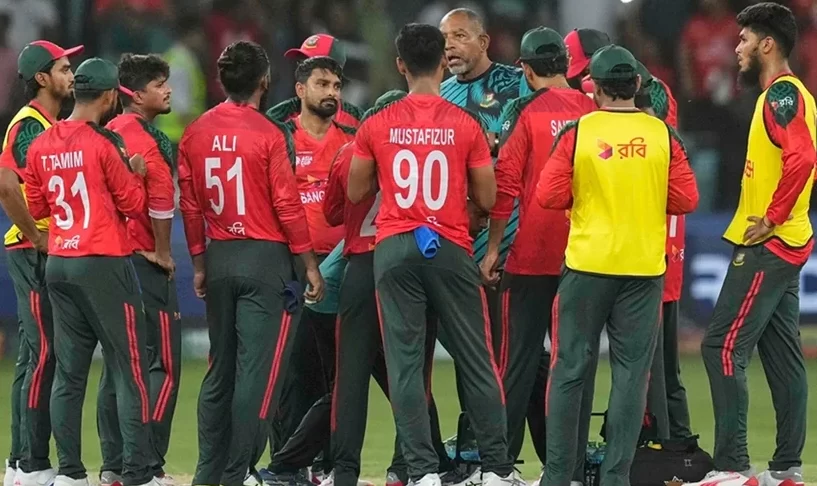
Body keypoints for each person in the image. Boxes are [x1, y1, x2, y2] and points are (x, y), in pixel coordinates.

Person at [347, 22, 521, 486]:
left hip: (394, 247)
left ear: (400, 65)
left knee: (405, 366)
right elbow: (488, 197)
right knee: (477, 360)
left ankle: (422, 472)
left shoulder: (377, 123)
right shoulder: (466, 124)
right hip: (448, 244)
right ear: (443, 61)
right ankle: (496, 469)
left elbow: (356, 190)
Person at [537, 45, 698, 486]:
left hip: (587, 264)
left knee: (569, 370)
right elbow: (686, 199)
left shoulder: (578, 132)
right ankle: (615, 478)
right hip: (643, 268)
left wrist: (588, 194)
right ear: (637, 85)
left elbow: (548, 195)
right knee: (631, 377)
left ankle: (558, 476)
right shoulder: (663, 134)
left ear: (595, 89)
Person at [179, 40, 324, 486]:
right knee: (258, 378)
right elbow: (287, 205)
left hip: (220, 257)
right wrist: (308, 264)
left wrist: (199, 262)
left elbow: (190, 206)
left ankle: (207, 473)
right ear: (265, 80)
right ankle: (236, 472)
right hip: (267, 263)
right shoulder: (270, 134)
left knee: (220, 371)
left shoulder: (195, 132)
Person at [23, 56, 159, 486]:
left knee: (68, 373)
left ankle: (70, 473)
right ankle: (135, 472)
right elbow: (133, 205)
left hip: (59, 262)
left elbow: (37, 207)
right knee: (130, 367)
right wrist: (136, 174)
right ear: (110, 96)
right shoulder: (104, 143)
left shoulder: (41, 142)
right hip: (103, 262)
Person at [692, 4, 813, 486]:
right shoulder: (789, 95)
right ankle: (786, 470)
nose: (736, 47)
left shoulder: (781, 95)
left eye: (744, 39)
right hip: (787, 242)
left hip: (770, 244)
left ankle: (732, 466)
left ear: (767, 44)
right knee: (783, 359)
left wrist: (773, 216)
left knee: (721, 346)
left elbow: (803, 157)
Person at [478, 26, 596, 476]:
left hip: (531, 256)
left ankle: (500, 468)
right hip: (583, 256)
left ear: (526, 71)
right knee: (575, 365)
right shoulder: (592, 110)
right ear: (565, 66)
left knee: (516, 364)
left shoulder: (522, 109)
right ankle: (571, 467)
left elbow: (506, 185)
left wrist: (493, 250)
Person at [258, 55, 354, 486]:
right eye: (322, 84)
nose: (331, 92)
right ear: (300, 90)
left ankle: (328, 465)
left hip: (341, 271)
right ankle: (289, 467)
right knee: (293, 375)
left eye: (336, 85)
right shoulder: (281, 139)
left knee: (336, 377)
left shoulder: (351, 140)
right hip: (293, 270)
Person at [0, 39, 82, 486]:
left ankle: (19, 461)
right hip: (31, 250)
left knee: (33, 355)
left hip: (35, 248)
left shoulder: (46, 123)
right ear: (42, 78)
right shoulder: (29, 124)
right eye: (64, 69)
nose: (72, 76)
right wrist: (36, 236)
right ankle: (32, 464)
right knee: (46, 351)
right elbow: (6, 186)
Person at [97, 53, 179, 486]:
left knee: (117, 367)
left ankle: (113, 465)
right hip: (145, 262)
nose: (168, 90)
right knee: (162, 365)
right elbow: (162, 201)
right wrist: (163, 253)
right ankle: (147, 466)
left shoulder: (108, 132)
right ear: (135, 93)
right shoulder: (150, 138)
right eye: (159, 84)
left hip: (109, 262)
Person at [266, 34, 364, 128]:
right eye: (301, 63)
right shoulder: (278, 118)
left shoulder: (358, 122)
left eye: (311, 65)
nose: (303, 71)